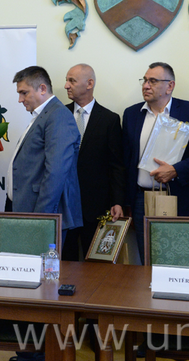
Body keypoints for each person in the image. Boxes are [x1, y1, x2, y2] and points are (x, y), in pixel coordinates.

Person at [123, 62, 189, 263]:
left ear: (170, 86)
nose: (146, 86)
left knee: (182, 260)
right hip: (141, 200)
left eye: (153, 81)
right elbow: (125, 160)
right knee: (148, 260)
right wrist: (124, 202)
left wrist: (176, 170)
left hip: (180, 197)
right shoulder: (131, 114)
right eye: (144, 80)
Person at [8, 66, 83, 242]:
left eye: (24, 93)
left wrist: (42, 219)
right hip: (28, 209)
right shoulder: (45, 114)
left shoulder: (58, 116)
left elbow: (56, 172)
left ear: (42, 88)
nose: (20, 100)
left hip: (41, 214)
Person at [61, 64, 124, 261]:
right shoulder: (59, 116)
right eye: (67, 80)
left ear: (89, 84)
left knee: (97, 265)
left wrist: (117, 201)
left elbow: (116, 165)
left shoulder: (109, 120)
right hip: (64, 205)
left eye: (72, 81)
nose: (66, 85)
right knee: (65, 262)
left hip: (96, 207)